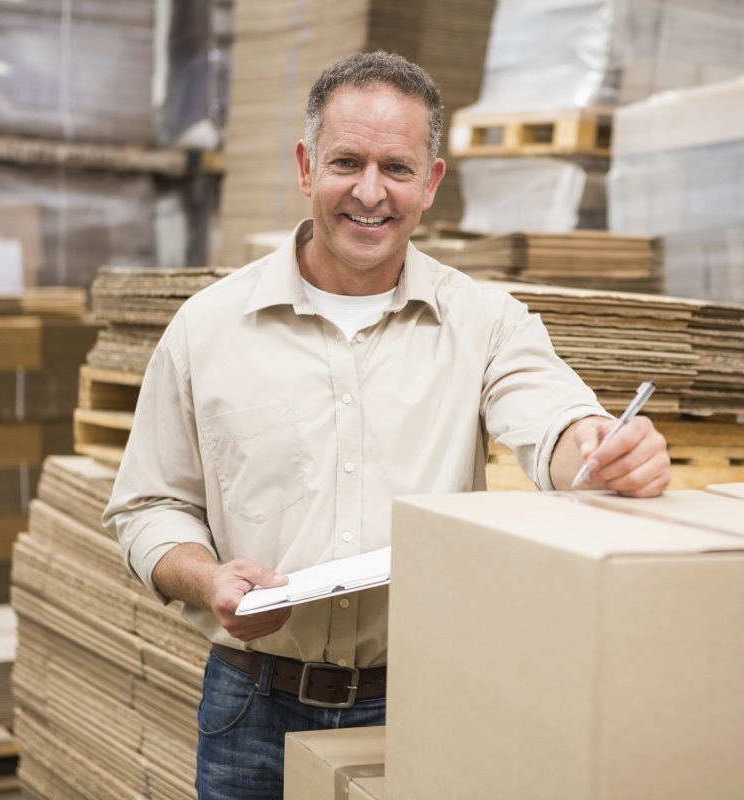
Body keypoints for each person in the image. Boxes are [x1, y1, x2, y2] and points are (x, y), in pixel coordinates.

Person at [104, 50, 670, 799]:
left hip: (422, 700)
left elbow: (554, 422)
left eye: (397, 168)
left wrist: (601, 451)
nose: (369, 193)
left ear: (430, 183)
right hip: (252, 708)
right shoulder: (207, 329)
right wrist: (206, 576)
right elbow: (148, 505)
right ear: (306, 166)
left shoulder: (487, 324)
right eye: (346, 162)